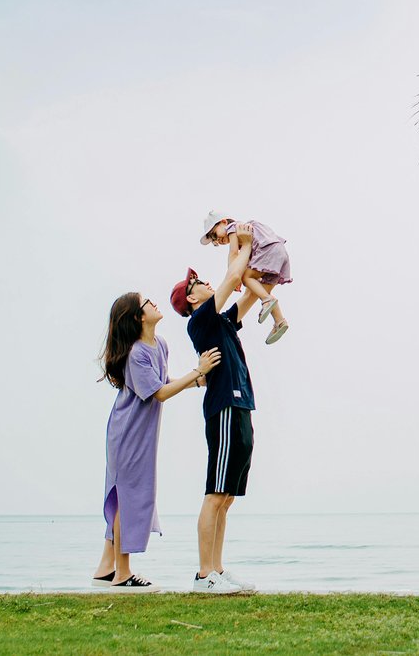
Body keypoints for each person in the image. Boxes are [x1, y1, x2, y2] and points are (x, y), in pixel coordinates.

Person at [93, 292, 221, 591]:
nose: (154, 303)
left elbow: (161, 383)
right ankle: (122, 573)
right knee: (127, 499)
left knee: (130, 496)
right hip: (127, 434)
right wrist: (197, 372)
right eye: (146, 303)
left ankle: (105, 567)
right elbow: (159, 393)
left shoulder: (160, 345)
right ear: (138, 317)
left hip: (141, 434)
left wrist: (196, 381)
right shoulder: (136, 352)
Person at [171, 223, 260, 594]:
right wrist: (242, 238)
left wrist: (265, 275)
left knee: (226, 498)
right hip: (222, 409)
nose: (207, 284)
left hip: (240, 407)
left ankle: (218, 570)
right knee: (214, 492)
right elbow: (233, 275)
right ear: (192, 299)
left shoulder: (221, 321)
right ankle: (204, 574)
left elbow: (249, 295)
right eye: (199, 285)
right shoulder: (201, 320)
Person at [200, 208, 292, 344]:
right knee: (260, 288)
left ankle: (266, 300)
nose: (217, 241)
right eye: (214, 242)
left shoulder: (233, 228)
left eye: (214, 235)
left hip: (267, 250)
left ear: (223, 222)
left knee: (246, 278)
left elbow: (233, 254)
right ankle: (279, 321)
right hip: (280, 253)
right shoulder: (247, 231)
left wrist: (233, 276)